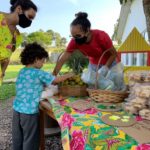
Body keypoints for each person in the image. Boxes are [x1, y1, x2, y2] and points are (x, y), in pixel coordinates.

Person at [12, 43, 74, 150]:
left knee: (18, 137)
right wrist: (69, 75)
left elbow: (30, 84)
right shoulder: (38, 73)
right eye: (43, 61)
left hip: (17, 109)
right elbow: (55, 80)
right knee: (30, 139)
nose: (43, 64)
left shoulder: (22, 71)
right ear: (36, 59)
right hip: (29, 112)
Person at [53, 12, 117, 76]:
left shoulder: (101, 36)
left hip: (110, 62)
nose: (75, 39)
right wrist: (52, 77)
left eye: (78, 35)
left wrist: (105, 68)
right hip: (94, 64)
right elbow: (62, 60)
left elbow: (114, 54)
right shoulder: (74, 41)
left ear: (87, 30)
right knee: (92, 84)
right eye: (73, 36)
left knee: (113, 83)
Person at [0, 0, 37, 85]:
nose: (30, 21)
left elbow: (6, 56)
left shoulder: (17, 36)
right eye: (30, 17)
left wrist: (3, 72)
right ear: (19, 9)